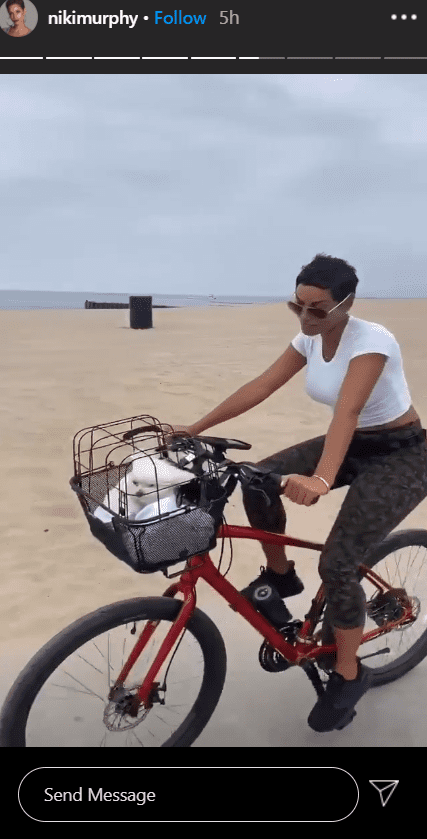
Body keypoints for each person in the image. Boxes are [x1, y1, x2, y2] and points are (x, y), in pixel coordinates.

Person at [166, 253, 427, 732]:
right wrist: (198, 427)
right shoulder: (308, 338)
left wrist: (322, 480)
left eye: (319, 309)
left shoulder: (372, 342)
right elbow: (261, 386)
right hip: (351, 445)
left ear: (347, 303)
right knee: (258, 479)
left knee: (339, 562)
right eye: (298, 306)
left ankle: (349, 674)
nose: (306, 317)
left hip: (401, 454)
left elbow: (346, 414)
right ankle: (282, 576)